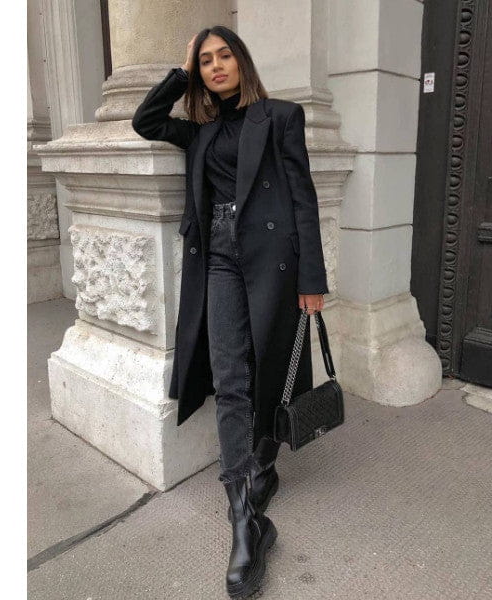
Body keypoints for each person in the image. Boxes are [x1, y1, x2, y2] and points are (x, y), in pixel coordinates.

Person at [132, 25, 328, 599]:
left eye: (223, 57)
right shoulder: (198, 129)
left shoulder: (281, 116)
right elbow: (146, 120)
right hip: (217, 264)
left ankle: (263, 464)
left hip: (273, 266)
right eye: (205, 61)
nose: (216, 67)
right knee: (230, 379)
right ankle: (245, 519)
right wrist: (180, 70)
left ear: (242, 62)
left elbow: (302, 198)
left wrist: (312, 279)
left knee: (266, 370)